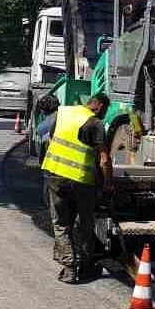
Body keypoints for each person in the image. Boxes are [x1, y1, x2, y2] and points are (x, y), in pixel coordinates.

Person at [40, 93, 112, 284]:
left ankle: (68, 267)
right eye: (105, 110)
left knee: (61, 223)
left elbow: (52, 139)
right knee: (85, 224)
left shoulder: (64, 113)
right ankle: (84, 266)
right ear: (99, 106)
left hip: (55, 175)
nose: (104, 114)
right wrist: (107, 184)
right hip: (81, 180)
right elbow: (104, 159)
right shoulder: (95, 123)